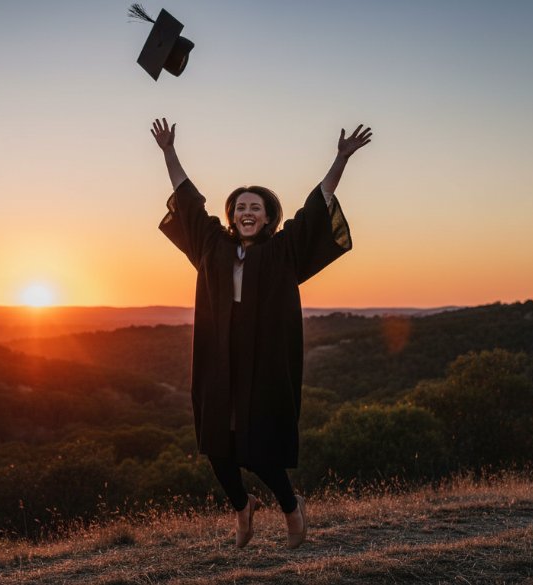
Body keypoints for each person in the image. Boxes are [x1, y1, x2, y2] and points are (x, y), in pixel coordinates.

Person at [152, 117, 370, 549]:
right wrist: (168, 152)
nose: (246, 212)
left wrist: (340, 158)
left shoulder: (282, 252)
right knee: (217, 444)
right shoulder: (212, 245)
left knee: (258, 448)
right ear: (232, 215)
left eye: (256, 207)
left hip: (264, 360)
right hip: (219, 358)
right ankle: (243, 507)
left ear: (268, 217)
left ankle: (292, 508)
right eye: (240, 207)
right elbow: (188, 203)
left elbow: (317, 206)